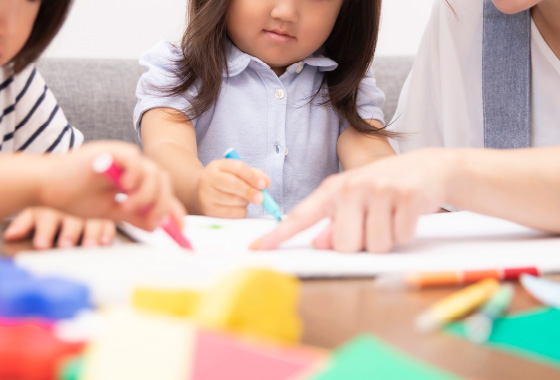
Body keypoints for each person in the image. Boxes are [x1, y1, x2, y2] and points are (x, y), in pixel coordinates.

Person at [253, 0, 560, 253]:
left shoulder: (341, 87)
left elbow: (391, 163)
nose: (285, 12)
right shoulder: (462, 12)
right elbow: (416, 201)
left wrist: (449, 172)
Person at [135, 0, 395, 219]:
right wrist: (197, 188)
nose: (286, 13)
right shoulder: (176, 69)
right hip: (215, 258)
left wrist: (388, 183)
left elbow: (370, 154)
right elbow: (166, 149)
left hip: (307, 254)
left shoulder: (346, 82)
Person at [0, 0, 118, 249]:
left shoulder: (12, 77)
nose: (7, 25)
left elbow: (74, 182)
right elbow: (56, 179)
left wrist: (75, 204)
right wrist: (46, 183)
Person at [0, 141, 186, 230]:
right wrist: (44, 183)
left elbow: (70, 178)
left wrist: (58, 197)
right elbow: (54, 176)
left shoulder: (19, 79)